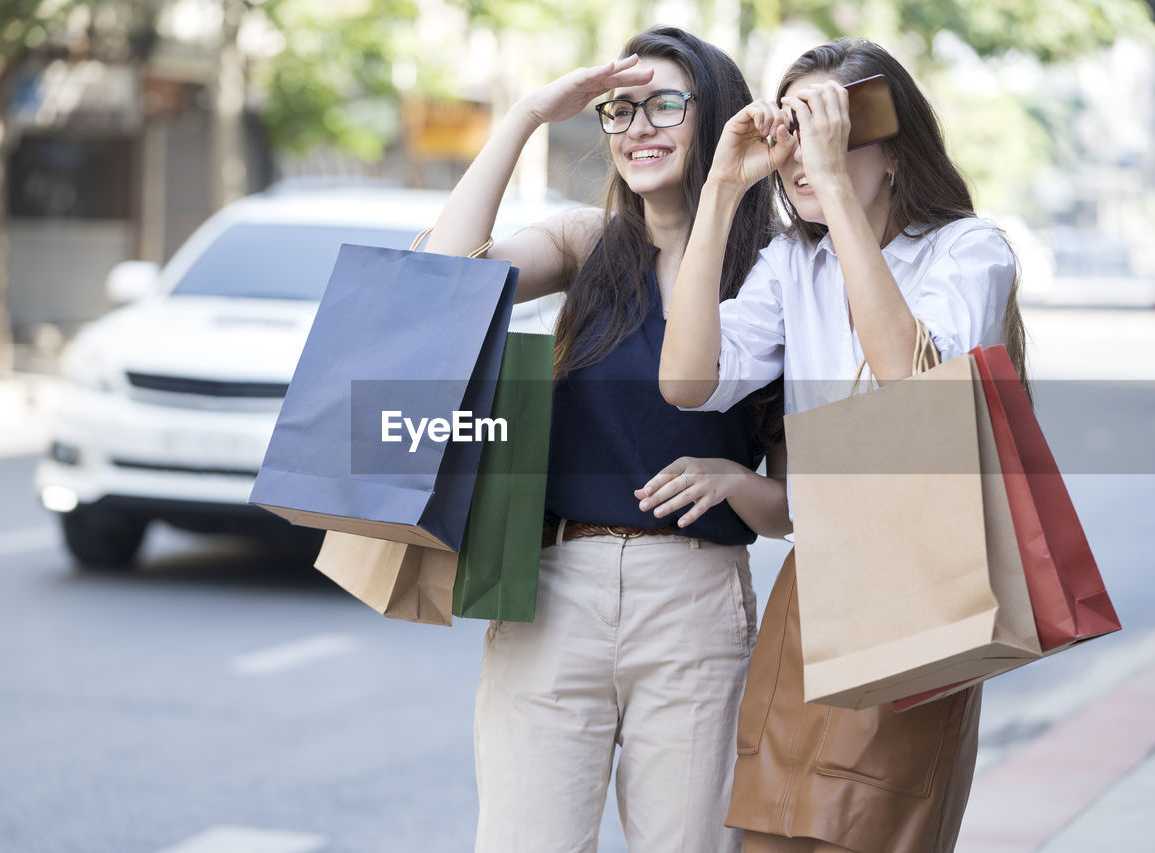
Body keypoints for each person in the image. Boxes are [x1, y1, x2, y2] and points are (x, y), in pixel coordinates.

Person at [652, 38, 1029, 853]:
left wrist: (835, 192)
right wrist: (721, 189)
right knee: (770, 829)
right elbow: (686, 383)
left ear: (895, 151)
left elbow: (911, 392)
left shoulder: (969, 250)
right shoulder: (795, 263)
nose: (805, 151)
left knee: (866, 831)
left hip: (920, 583)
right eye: (794, 127)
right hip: (811, 588)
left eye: (835, 126)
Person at [425, 26, 787, 853]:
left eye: (666, 104)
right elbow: (446, 278)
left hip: (693, 599)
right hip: (552, 590)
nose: (637, 127)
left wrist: (735, 478)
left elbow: (796, 505)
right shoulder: (586, 244)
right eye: (618, 111)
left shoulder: (774, 272)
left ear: (719, 116)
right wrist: (525, 115)